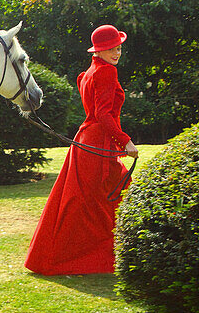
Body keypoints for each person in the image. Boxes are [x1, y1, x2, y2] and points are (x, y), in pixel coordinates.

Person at [24, 24, 138, 275]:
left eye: (117, 47)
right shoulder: (106, 72)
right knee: (99, 201)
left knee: (82, 200)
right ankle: (99, 256)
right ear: (97, 51)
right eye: (110, 49)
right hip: (96, 141)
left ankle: (55, 256)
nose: (116, 53)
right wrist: (126, 141)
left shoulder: (88, 73)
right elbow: (103, 114)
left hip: (85, 140)